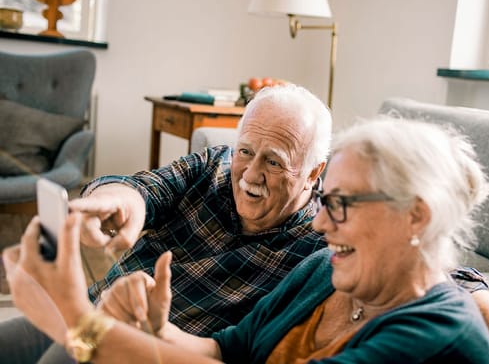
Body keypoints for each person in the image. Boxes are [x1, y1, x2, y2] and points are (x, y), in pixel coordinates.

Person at [4, 117, 489, 363]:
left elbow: (460, 283)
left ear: (417, 216)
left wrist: (79, 321)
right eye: (325, 204)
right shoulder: (324, 273)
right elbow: (223, 351)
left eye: (341, 205)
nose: (322, 225)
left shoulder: (434, 336)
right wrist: (151, 327)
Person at [0, 84, 332, 362]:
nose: (250, 174)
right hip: (91, 308)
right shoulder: (215, 166)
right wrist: (114, 200)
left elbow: (239, 350)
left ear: (313, 173)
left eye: (273, 161)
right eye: (245, 151)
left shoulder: (318, 250)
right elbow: (145, 189)